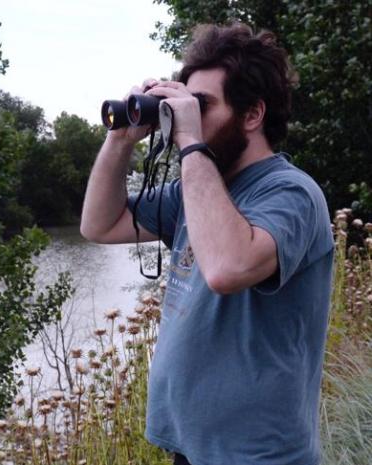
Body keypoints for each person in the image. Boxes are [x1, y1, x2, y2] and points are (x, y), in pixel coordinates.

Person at [79, 23, 334, 465]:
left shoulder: (291, 193)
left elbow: (226, 268)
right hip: (192, 449)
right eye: (184, 105)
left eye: (201, 106)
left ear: (252, 115)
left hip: (260, 455)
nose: (185, 117)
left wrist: (189, 141)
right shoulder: (195, 192)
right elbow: (99, 225)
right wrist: (119, 140)